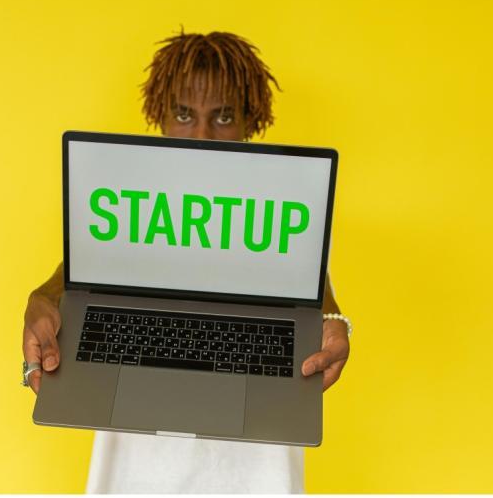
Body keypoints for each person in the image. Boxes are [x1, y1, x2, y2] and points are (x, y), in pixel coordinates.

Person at [22, 30, 351, 493]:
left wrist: (335, 320)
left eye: (222, 116)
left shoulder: (289, 198)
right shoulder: (129, 194)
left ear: (250, 120)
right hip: (140, 462)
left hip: (254, 465)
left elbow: (312, 288)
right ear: (159, 115)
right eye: (183, 114)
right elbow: (84, 270)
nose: (200, 136)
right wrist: (45, 296)